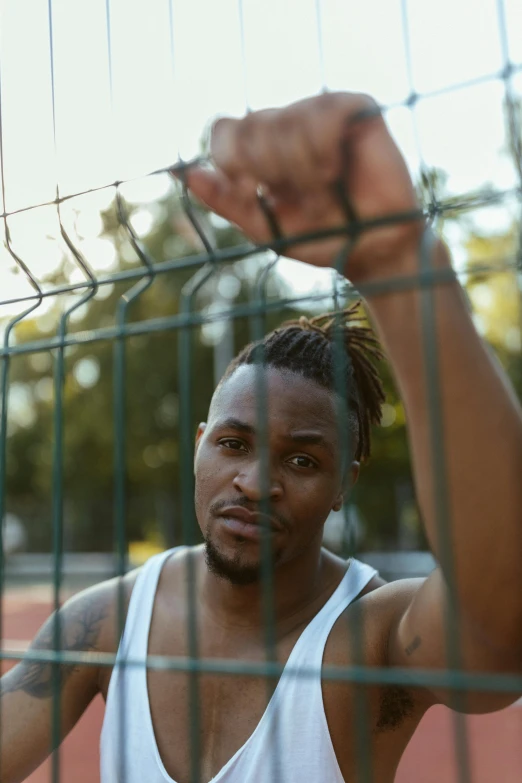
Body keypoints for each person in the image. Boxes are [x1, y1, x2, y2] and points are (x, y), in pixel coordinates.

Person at [2, 91, 522, 783]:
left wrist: (399, 264)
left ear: (343, 484)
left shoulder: (369, 639)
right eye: (233, 443)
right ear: (198, 445)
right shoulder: (108, 619)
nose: (254, 481)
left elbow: (501, 628)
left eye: (303, 458)